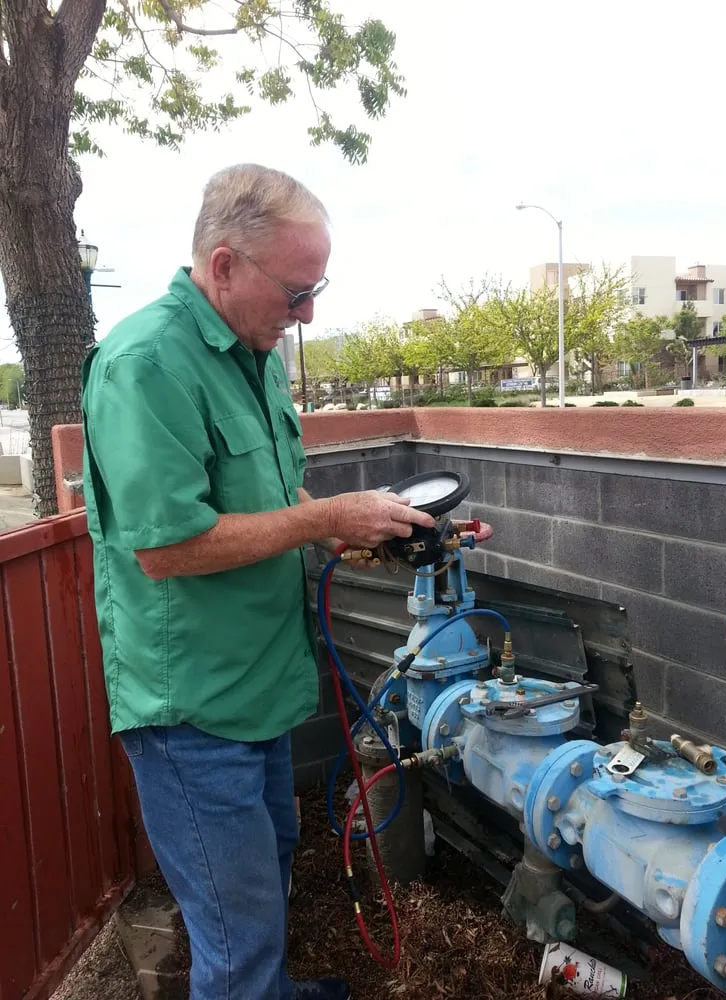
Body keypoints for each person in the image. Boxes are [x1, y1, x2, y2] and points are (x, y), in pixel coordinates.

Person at [81, 163, 436, 1000]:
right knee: (233, 932)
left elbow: (276, 498)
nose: (308, 314)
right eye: (296, 292)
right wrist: (325, 518)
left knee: (265, 877)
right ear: (224, 265)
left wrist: (348, 528)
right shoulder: (145, 364)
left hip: (260, 684)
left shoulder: (257, 351)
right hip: (192, 709)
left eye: (316, 290)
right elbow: (168, 548)